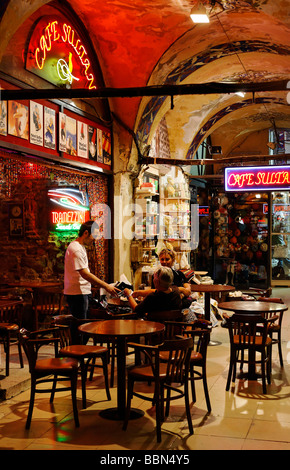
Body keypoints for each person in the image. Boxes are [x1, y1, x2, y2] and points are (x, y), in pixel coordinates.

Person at [64, 220, 119, 323]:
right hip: (77, 294)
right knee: (80, 328)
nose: (94, 240)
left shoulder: (80, 247)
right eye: (93, 236)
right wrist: (106, 286)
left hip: (82, 292)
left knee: (84, 326)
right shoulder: (76, 249)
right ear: (86, 233)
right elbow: (85, 274)